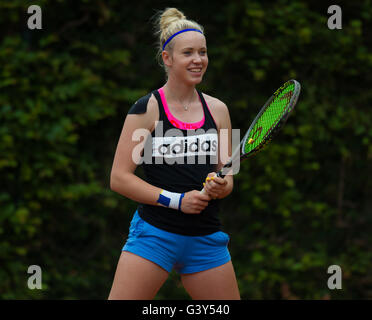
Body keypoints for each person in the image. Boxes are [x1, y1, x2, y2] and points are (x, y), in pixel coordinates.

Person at [108, 7, 240, 300]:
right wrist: (177, 201)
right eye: (188, 53)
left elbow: (229, 178)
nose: (198, 60)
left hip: (206, 238)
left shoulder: (219, 110)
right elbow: (118, 178)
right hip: (154, 236)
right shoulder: (145, 109)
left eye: (203, 52)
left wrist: (220, 186)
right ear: (167, 58)